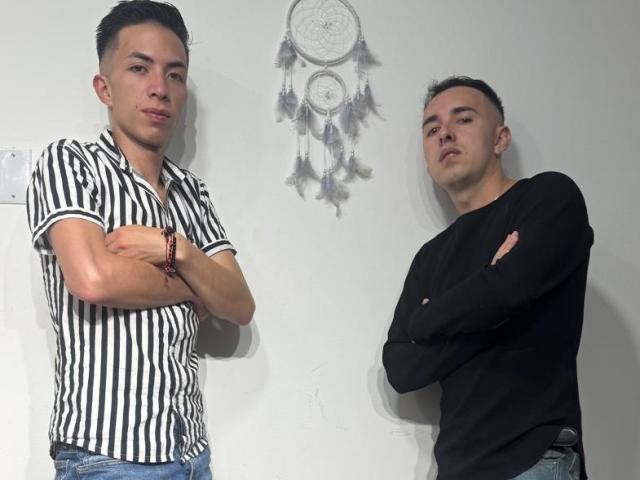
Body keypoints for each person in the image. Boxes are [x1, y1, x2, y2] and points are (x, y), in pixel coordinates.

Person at [26, 1, 255, 478]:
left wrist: (175, 250)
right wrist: (198, 285)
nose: (159, 88)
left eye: (175, 75)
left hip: (191, 452)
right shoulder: (71, 163)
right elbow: (93, 280)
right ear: (104, 87)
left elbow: (238, 304)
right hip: (106, 455)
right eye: (139, 67)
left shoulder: (192, 192)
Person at [383, 76, 593, 480]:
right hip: (455, 469)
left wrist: (427, 320)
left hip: (532, 460)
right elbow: (400, 369)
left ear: (500, 139)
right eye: (431, 129)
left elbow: (507, 291)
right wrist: (492, 298)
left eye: (462, 119)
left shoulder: (548, 198)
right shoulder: (430, 257)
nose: (445, 133)